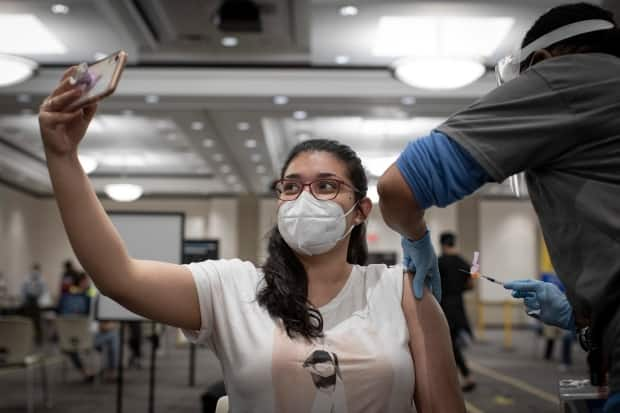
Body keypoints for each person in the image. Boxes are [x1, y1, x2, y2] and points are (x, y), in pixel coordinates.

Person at [38, 75, 464, 411]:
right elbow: (119, 277)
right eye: (291, 187)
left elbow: (443, 408)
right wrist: (63, 156)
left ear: (361, 210)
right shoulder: (234, 287)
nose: (305, 198)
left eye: (327, 186)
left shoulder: (403, 290)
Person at [377, 3, 620, 410]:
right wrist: (585, 319)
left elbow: (398, 187)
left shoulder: (570, 79)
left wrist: (415, 237)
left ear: (542, 62)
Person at [437, 232, 476, 391]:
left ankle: (464, 376)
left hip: (443, 307)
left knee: (447, 345)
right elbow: (471, 285)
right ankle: (462, 376)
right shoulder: (464, 263)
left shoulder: (439, 262)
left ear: (442, 244)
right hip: (459, 307)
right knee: (451, 345)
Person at [20, 263, 48, 344]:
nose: (35, 272)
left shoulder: (42, 280)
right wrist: (23, 301)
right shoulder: (26, 279)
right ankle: (24, 338)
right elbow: (23, 291)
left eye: (37, 270)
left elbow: (43, 292)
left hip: (36, 303)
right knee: (27, 322)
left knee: (37, 323)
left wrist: (40, 301)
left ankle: (38, 340)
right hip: (28, 303)